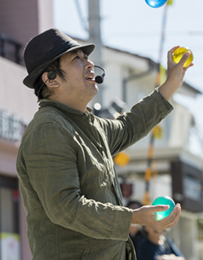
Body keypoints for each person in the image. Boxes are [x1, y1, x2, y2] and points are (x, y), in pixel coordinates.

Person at [16, 28, 193, 260]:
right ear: (51, 79)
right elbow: (65, 207)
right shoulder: (48, 129)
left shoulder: (88, 125)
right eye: (76, 59)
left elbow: (129, 126)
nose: (89, 64)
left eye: (86, 57)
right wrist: (134, 217)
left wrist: (170, 84)